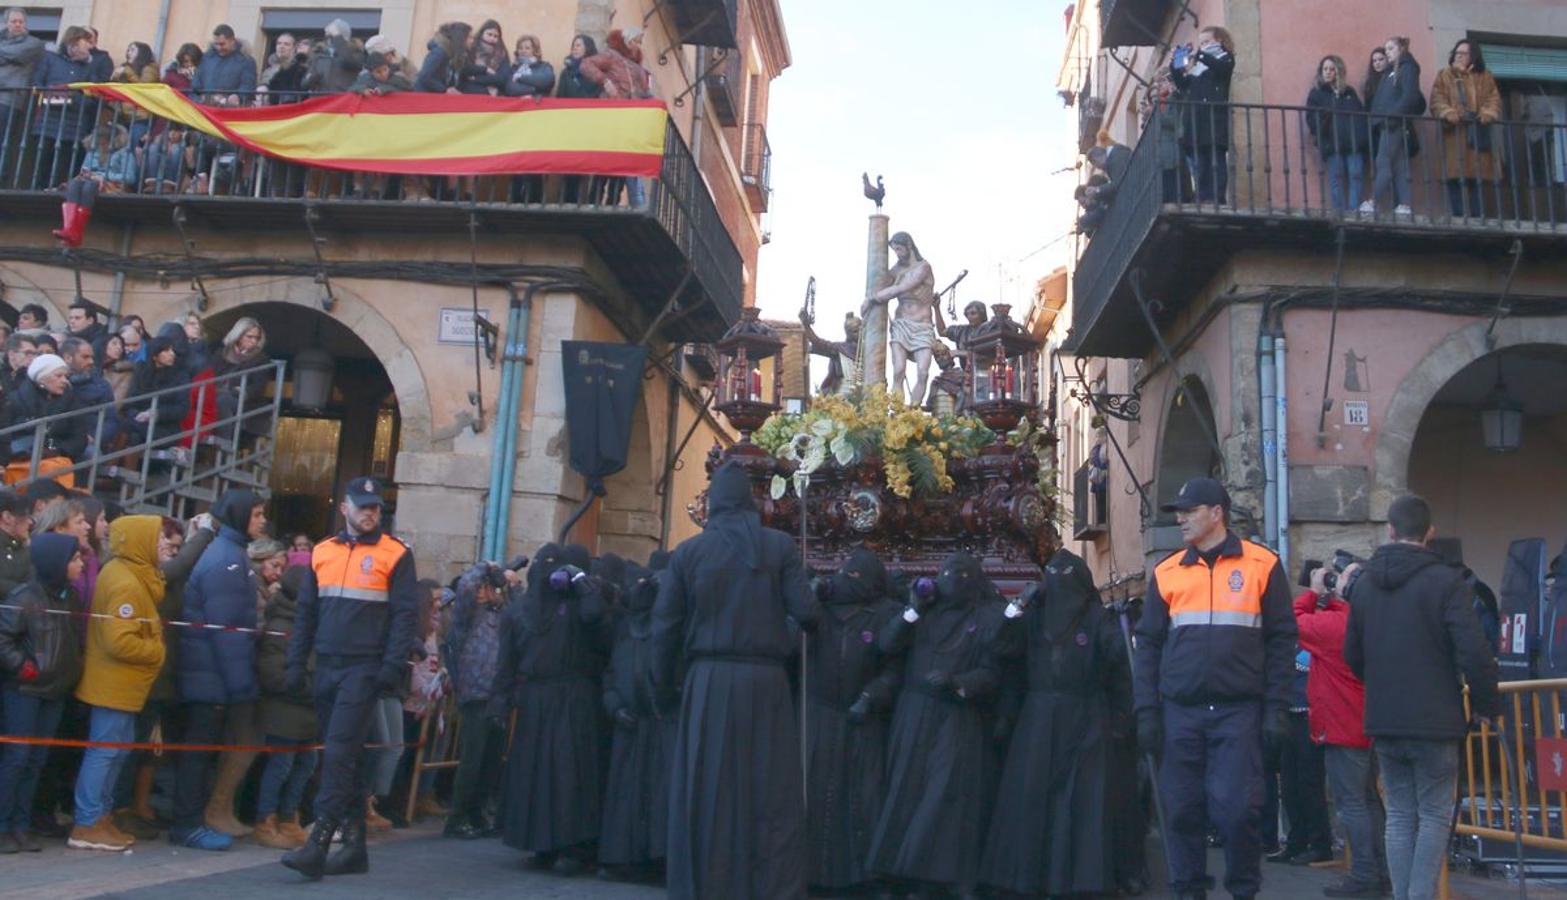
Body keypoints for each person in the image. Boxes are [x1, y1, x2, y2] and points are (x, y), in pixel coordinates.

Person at [653, 461, 819, 899]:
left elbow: (664, 629)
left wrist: (663, 686)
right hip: (766, 684)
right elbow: (807, 613)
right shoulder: (779, 546)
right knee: (770, 791)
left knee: (709, 788)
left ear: (713, 503)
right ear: (751, 501)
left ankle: (710, 884)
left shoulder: (688, 553)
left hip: (708, 681)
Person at [1134, 477, 1297, 900]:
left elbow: (1282, 641)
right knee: (1181, 810)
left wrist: (1276, 708)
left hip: (1238, 711)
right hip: (1181, 712)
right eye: (1178, 512)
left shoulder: (1262, 565)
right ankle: (1187, 890)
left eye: (1189, 511)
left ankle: (1243, 889)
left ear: (1216, 513)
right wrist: (1146, 710)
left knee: (1238, 811)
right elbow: (1148, 644)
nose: (1181, 519)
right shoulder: (1168, 572)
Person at [1344, 494, 1500, 900]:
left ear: (1390, 530)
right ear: (1430, 533)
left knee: (1399, 813)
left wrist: (1381, 684)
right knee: (1433, 814)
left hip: (1385, 716)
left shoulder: (1363, 586)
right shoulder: (1446, 581)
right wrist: (1485, 703)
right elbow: (1474, 650)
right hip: (1436, 719)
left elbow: (1352, 655)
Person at [282, 476, 419, 880]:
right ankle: (355, 847)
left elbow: (403, 615)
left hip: (364, 666)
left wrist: (392, 666)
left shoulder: (396, 554)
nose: (371, 513)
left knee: (339, 750)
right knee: (346, 754)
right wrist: (295, 662)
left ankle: (320, 841)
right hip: (328, 664)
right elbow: (306, 613)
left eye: (375, 507)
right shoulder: (322, 552)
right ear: (345, 507)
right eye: (363, 506)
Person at [980, 548, 1133, 897]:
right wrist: (1016, 607)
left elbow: (1119, 668)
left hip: (1085, 717)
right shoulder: (1032, 617)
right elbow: (999, 645)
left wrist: (1121, 716)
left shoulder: (1097, 619)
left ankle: (1079, 878)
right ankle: (1029, 876)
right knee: (1034, 795)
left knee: (1080, 799)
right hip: (1038, 718)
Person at [866, 552, 1001, 896]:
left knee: (946, 796)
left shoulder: (984, 617)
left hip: (956, 715)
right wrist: (912, 609)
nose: (950, 580)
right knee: (908, 793)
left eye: (959, 574)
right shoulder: (921, 612)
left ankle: (943, 877)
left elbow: (992, 671)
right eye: (945, 573)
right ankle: (903, 872)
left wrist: (958, 682)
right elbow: (887, 643)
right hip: (914, 714)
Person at [489, 543, 609, 872]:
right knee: (543, 773)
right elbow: (507, 661)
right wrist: (500, 698)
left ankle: (568, 844)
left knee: (565, 773)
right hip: (547, 699)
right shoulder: (522, 613)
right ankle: (544, 843)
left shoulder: (572, 609)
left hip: (571, 697)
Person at [170, 490, 267, 850]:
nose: (262, 521)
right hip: (207, 673)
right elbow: (226, 629)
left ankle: (191, 820)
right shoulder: (225, 559)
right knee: (197, 752)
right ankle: (186, 824)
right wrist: (240, 683)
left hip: (211, 673)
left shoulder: (233, 553)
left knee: (203, 749)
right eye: (256, 514)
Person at [800, 549, 901, 892]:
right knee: (812, 794)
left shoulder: (886, 614)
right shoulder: (821, 610)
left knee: (862, 799)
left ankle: (862, 874)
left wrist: (872, 697)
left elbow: (893, 668)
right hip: (819, 717)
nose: (848, 581)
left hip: (862, 719)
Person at [70, 515, 172, 852]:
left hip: (124, 687)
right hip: (112, 685)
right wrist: (156, 650)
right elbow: (119, 642)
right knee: (104, 752)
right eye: (157, 539)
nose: (163, 546)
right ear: (140, 541)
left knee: (117, 749)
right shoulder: (126, 582)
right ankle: (87, 822)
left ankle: (101, 815)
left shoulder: (132, 575)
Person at [1295, 561, 1387, 897]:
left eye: (1343, 577)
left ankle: (1364, 874)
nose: (1335, 580)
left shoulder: (1337, 625)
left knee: (1352, 804)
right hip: (1368, 722)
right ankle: (1382, 870)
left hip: (1343, 724)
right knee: (1369, 800)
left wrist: (1313, 593)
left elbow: (1294, 623)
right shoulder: (1369, 619)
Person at [0, 532, 83, 854]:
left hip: (56, 691)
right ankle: (3, 825)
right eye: (73, 559)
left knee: (36, 761)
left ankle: (22, 824)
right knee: (17, 758)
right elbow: (3, 639)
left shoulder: (69, 597)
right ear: (56, 563)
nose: (79, 564)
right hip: (25, 690)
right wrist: (25, 667)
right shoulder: (24, 597)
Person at [598, 562, 677, 875]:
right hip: (630, 724)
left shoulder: (670, 630)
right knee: (626, 795)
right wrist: (615, 706)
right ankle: (623, 857)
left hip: (662, 723)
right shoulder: (624, 630)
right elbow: (611, 675)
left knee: (661, 794)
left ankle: (660, 857)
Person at [442, 559, 513, 839]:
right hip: (475, 693)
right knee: (472, 758)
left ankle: (477, 812)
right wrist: (487, 567)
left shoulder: (501, 614)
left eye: (487, 588)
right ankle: (457, 816)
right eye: (481, 587)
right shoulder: (467, 615)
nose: (483, 591)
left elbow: (520, 614)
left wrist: (508, 585)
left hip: (497, 694)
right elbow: (466, 587)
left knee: (491, 759)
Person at [253, 562, 316, 850]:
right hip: (286, 708)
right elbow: (273, 673)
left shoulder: (312, 623)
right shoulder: (280, 626)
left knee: (306, 763)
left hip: (308, 709)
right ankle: (266, 819)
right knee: (281, 765)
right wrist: (306, 686)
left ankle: (290, 817)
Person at [863, 231, 938, 406]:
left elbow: (901, 288)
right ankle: (898, 413)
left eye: (899, 249)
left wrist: (872, 298)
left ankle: (913, 412)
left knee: (923, 372)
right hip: (901, 324)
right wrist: (869, 296)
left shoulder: (923, 267)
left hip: (922, 325)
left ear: (909, 246)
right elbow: (879, 283)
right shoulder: (896, 270)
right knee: (898, 370)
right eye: (894, 250)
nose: (897, 253)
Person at [1430, 40, 1501, 219]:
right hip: (1453, 135)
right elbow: (1437, 99)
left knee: (1476, 179)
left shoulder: (1485, 76)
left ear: (1473, 56)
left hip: (1477, 133)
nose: (1458, 56)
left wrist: (1487, 113)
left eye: (1463, 53)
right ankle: (1458, 215)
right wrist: (1447, 112)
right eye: (1457, 53)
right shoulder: (1445, 75)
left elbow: (1494, 100)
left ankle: (1477, 216)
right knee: (1454, 177)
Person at [1170, 26, 1235, 204]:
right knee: (1200, 165)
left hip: (1214, 121)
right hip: (1195, 122)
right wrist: (1177, 60)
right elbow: (1182, 83)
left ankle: (1217, 198)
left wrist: (1199, 54)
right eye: (1201, 43)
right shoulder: (1196, 69)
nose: (1203, 46)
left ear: (1219, 41)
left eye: (1206, 42)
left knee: (1215, 161)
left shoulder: (1225, 58)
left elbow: (1220, 69)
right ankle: (1203, 197)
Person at [29, 26, 99, 190]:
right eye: (86, 41)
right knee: (42, 164)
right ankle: (38, 193)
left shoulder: (90, 67)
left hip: (74, 125)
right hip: (47, 121)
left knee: (64, 167)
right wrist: (51, 94)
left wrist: (74, 99)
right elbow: (37, 83)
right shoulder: (50, 59)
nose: (89, 46)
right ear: (74, 41)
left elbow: (93, 95)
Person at [1362, 37, 1424, 218]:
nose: (1387, 52)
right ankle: (1404, 204)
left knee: (1383, 161)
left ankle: (1372, 201)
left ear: (1401, 49)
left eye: (1390, 48)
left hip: (1394, 123)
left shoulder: (1408, 68)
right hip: (1387, 123)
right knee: (1399, 165)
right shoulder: (1392, 71)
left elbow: (1410, 96)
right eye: (1386, 49)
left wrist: (1393, 116)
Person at [4, 354, 87, 484]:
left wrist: (58, 450)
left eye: (66, 376)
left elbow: (79, 437)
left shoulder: (71, 400)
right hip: (19, 457)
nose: (65, 380)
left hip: (57, 457)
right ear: (42, 378)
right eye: (58, 376)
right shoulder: (14, 400)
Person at [1307, 55, 1372, 212]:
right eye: (1325, 69)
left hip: (1353, 142)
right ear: (1320, 72)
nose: (1328, 72)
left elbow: (1359, 115)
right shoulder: (1316, 93)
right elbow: (1311, 119)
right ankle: (1340, 212)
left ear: (1338, 71)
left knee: (1356, 176)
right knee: (1336, 179)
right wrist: (1323, 128)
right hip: (1332, 142)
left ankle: (1353, 211)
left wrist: (1362, 139)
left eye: (1331, 69)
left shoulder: (1349, 92)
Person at [122, 330, 190, 449]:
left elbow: (182, 408)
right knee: (133, 437)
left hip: (166, 430)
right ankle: (113, 467)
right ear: (154, 355)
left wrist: (156, 413)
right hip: (140, 423)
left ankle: (105, 466)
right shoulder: (142, 371)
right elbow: (130, 401)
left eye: (172, 350)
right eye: (166, 350)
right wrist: (138, 415)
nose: (172, 354)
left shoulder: (180, 376)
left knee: (125, 426)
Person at [0, 7, 44, 176]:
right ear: (6, 23)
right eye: (14, 21)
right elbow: (10, 55)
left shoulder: (33, 43)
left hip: (9, 98)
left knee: (2, 140)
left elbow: (17, 54)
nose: (18, 24)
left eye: (21, 21)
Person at [798, 309, 862, 396]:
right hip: (842, 396)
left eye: (860, 330)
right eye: (855, 331)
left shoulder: (868, 350)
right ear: (848, 333)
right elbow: (818, 342)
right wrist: (806, 326)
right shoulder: (840, 348)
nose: (859, 334)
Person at [190, 24, 256, 105]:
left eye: (222, 44)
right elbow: (195, 85)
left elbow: (247, 86)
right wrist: (200, 99)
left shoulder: (246, 61)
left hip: (230, 111)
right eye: (216, 44)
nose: (218, 48)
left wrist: (237, 97)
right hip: (205, 109)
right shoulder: (206, 58)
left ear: (232, 41)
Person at [304, 18, 362, 94]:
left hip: (342, 101)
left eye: (331, 36)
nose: (329, 40)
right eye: (328, 36)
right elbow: (304, 85)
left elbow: (348, 61)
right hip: (321, 101)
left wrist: (337, 35)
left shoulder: (356, 54)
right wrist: (312, 79)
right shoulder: (319, 56)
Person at [414, 22, 471, 94]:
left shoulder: (453, 53)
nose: (472, 41)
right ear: (461, 38)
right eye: (470, 37)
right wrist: (444, 89)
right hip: (426, 95)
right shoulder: (439, 53)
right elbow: (425, 76)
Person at [459, 19, 508, 95]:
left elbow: (501, 78)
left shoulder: (502, 54)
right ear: (482, 34)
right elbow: (465, 71)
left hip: (493, 91)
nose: (492, 39)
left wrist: (476, 79)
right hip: (470, 90)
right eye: (489, 34)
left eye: (496, 36)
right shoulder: (471, 50)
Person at [0, 489, 33, 596]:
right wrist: (23, 591)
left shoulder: (22, 548)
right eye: (26, 516)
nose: (30, 522)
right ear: (7, 517)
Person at [556, 34, 602, 99]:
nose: (574, 48)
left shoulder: (597, 72)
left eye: (578, 45)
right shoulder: (566, 73)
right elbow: (560, 98)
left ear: (587, 48)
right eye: (573, 46)